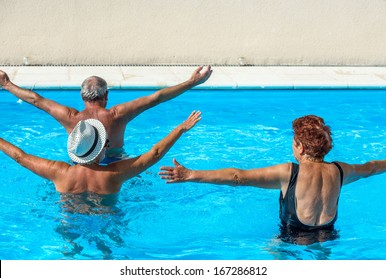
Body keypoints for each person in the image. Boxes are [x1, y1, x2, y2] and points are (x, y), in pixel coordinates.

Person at [159, 115, 386, 244]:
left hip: (292, 237)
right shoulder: (340, 170)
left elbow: (238, 177)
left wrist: (191, 175)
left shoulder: (290, 172)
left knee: (271, 256)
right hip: (328, 235)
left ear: (300, 146)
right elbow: (373, 167)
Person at [0, 66, 212, 163]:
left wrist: (7, 84)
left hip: (81, 165)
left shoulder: (70, 117)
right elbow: (156, 98)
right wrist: (192, 82)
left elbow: (36, 99)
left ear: (82, 96)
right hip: (116, 164)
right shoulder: (118, 114)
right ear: (106, 96)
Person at [0, 111, 201, 194]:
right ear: (98, 152)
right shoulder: (114, 174)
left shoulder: (58, 172)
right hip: (107, 218)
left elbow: (20, 156)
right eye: (104, 143)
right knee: (109, 251)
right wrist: (180, 128)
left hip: (70, 219)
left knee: (69, 248)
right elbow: (155, 153)